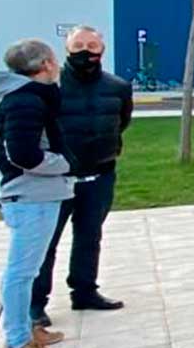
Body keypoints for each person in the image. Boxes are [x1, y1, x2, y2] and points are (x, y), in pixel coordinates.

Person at [0, 39, 76, 348]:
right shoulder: (25, 100)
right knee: (21, 273)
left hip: (33, 194)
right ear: (47, 64)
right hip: (30, 196)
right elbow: (22, 154)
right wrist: (66, 164)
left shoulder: (22, 97)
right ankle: (17, 344)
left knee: (27, 270)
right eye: (55, 59)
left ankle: (27, 331)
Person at [32, 26, 131, 328]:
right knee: (46, 243)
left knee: (90, 236)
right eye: (78, 46)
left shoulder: (117, 87)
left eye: (91, 45)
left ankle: (85, 291)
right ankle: (36, 304)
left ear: (102, 50)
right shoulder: (50, 88)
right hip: (56, 179)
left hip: (99, 175)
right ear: (66, 50)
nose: (85, 51)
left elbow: (121, 122)